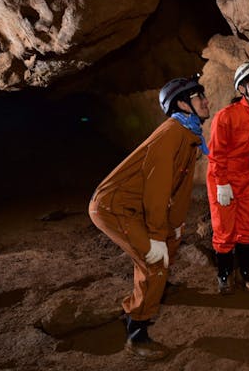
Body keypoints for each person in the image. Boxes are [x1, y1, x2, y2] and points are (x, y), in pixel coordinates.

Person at [88, 74, 210, 360]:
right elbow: (157, 190)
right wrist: (157, 237)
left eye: (203, 95)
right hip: (112, 207)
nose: (205, 100)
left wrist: (175, 228)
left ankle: (144, 299)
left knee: (161, 257)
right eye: (197, 97)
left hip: (134, 207)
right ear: (183, 104)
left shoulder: (189, 134)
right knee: (155, 264)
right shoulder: (172, 134)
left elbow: (178, 191)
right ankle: (137, 333)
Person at [206, 58, 249, 294]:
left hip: (248, 175)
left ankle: (245, 274)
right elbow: (216, 154)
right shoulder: (226, 116)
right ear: (242, 88)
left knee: (247, 228)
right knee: (224, 229)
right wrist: (222, 184)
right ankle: (224, 275)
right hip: (223, 175)